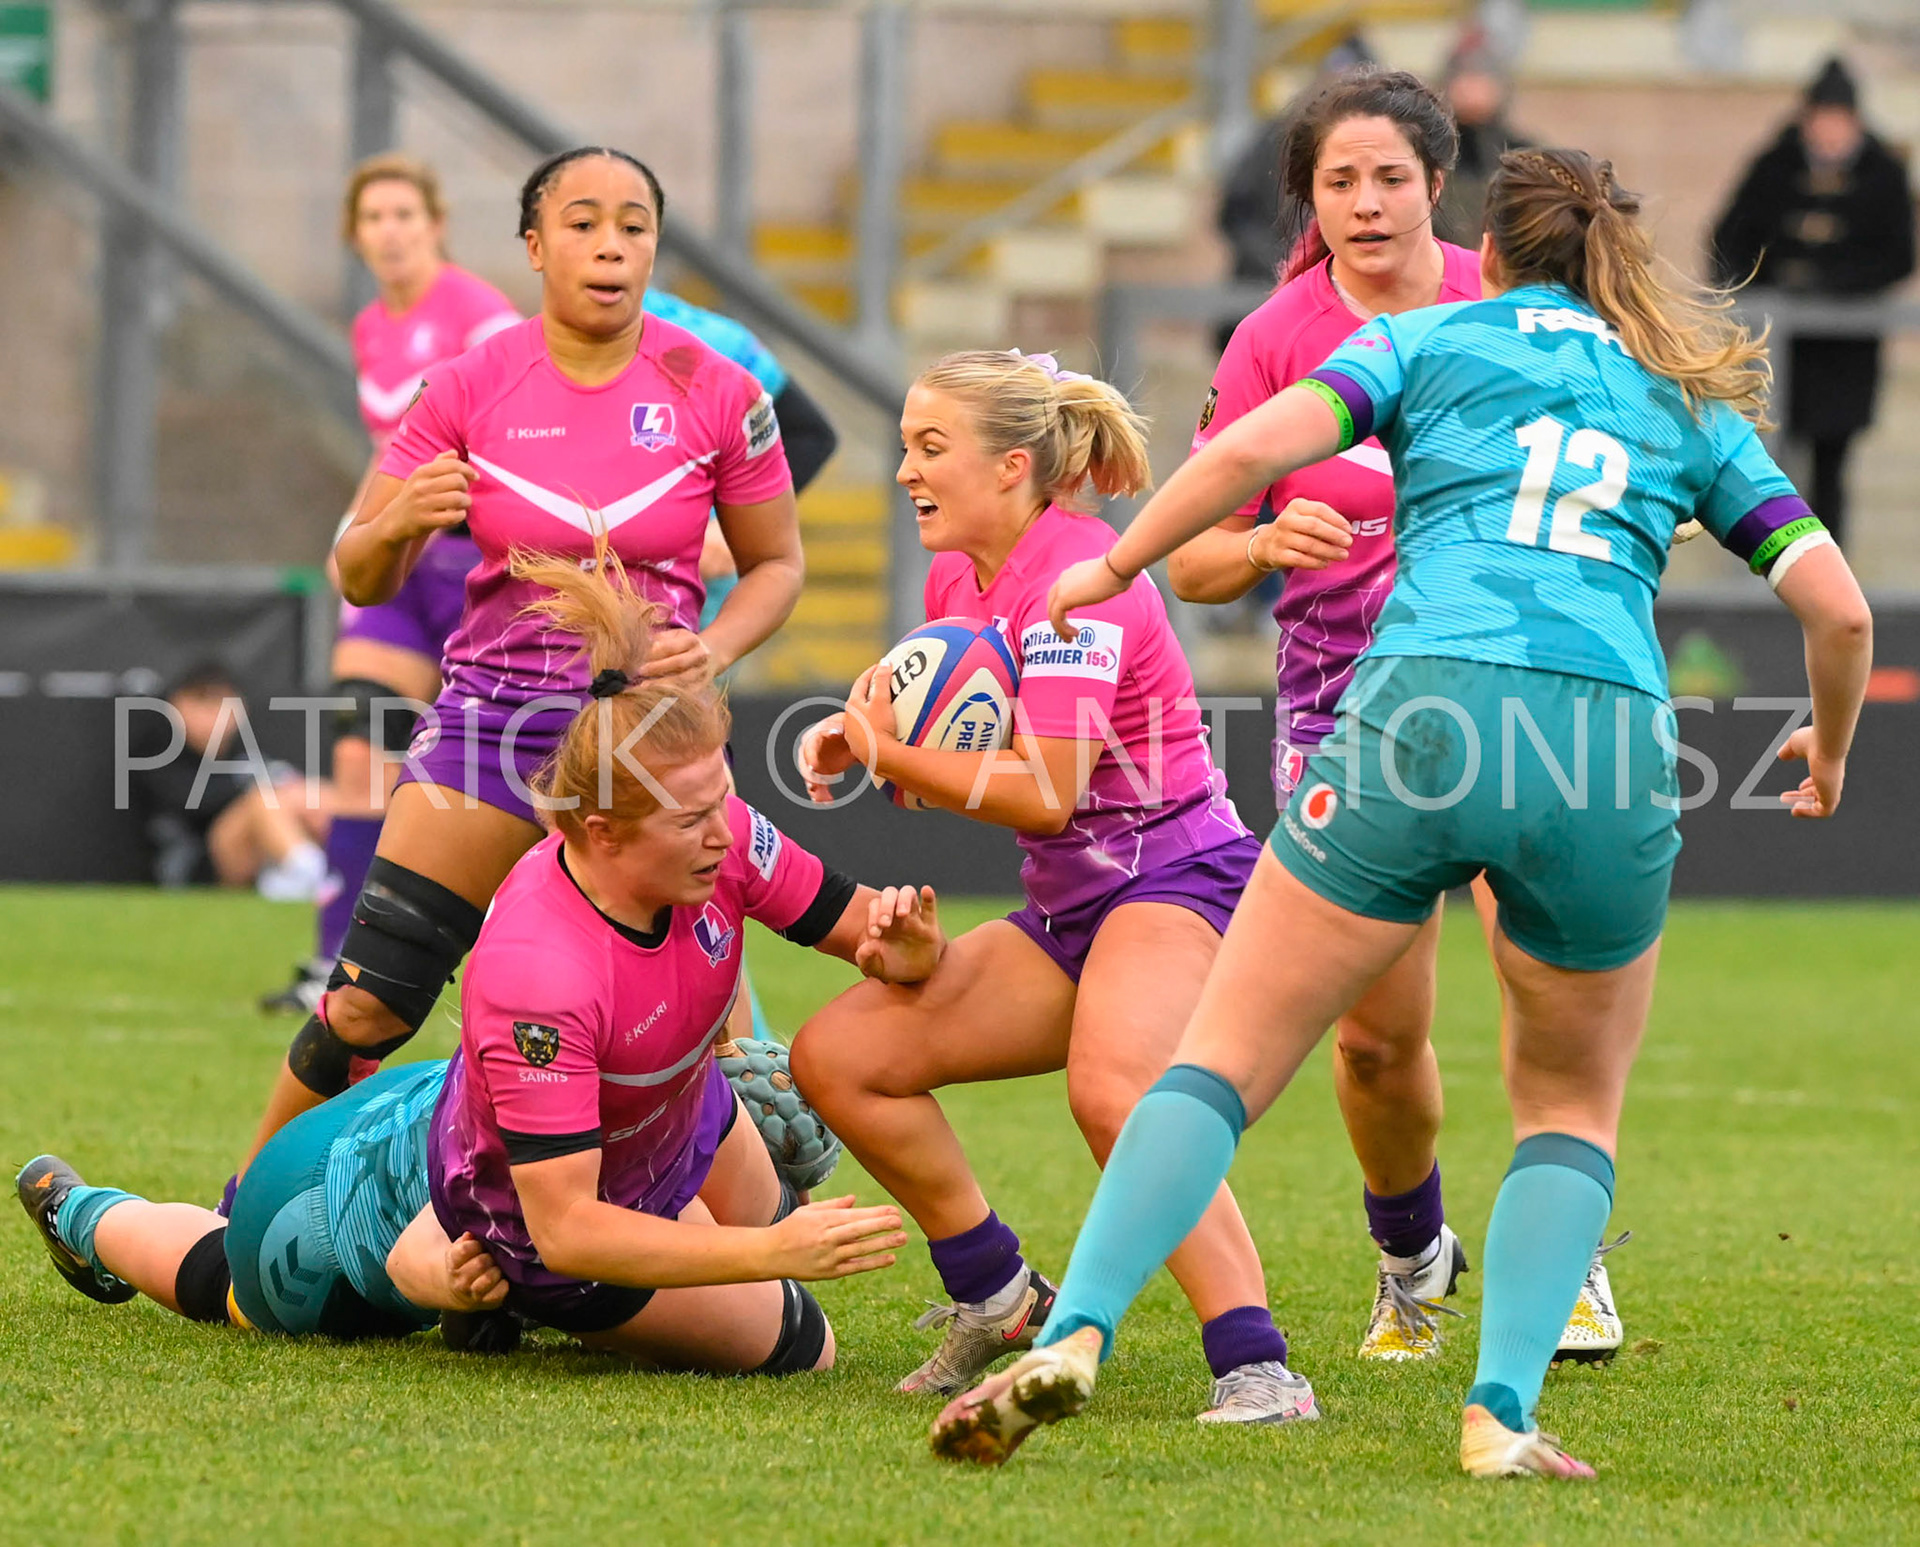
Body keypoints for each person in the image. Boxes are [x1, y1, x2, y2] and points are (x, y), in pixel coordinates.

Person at [932, 147, 1872, 1476]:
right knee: (1566, 1105)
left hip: (1421, 716)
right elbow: (1838, 608)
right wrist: (1825, 755)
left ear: (1487, 242)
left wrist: (1116, 560)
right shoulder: (1682, 397)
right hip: (1605, 745)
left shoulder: (1423, 339)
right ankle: (1499, 1411)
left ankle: (1074, 1329)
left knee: (1224, 1056)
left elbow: (1255, 449)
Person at [239, 146, 804, 1177]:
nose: (611, 246)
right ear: (535, 247)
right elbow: (362, 576)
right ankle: (250, 1198)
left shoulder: (716, 390)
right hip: (489, 729)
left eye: (633, 226)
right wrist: (393, 520)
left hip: (649, 746)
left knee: (681, 1024)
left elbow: (777, 566)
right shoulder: (465, 384)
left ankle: (713, 1239)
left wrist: (712, 647)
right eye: (583, 223)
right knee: (368, 998)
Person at [1170, 66, 1617, 1364]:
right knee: (1374, 1043)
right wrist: (1259, 551)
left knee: (1550, 993)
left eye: (1391, 177)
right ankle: (1411, 1255)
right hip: (1346, 715)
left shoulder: (1516, 306)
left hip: (1526, 700)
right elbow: (1191, 556)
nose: (1367, 203)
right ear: (1309, 198)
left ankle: (1570, 1261)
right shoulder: (1273, 341)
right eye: (1339, 181)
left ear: (1439, 183)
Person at [788, 350, 1316, 1426]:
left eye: (930, 447)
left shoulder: (1084, 576)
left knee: (1115, 1089)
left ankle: (1258, 1364)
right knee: (838, 1057)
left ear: (1014, 465)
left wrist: (885, 751)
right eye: (904, 446)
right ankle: (998, 1293)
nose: (904, 471)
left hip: (1181, 880)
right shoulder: (956, 583)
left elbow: (1043, 792)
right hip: (1075, 908)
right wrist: (877, 751)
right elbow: (981, 773)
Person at [423, 541, 928, 1367]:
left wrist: (906, 941)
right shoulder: (540, 970)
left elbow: (858, 924)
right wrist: (777, 1254)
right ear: (603, 833)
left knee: (770, 1229)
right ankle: (506, 1297)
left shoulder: (720, 838)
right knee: (807, 1345)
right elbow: (569, 1227)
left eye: (722, 802)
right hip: (548, 1234)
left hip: (678, 1124)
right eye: (693, 819)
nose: (725, 836)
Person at [263, 157, 521, 1014]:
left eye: (406, 212)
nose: (391, 229)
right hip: (403, 568)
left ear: (436, 223)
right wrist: (359, 532)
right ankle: (336, 964)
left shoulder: (480, 314)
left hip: (477, 564)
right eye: (374, 216)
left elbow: (526, 419)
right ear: (355, 234)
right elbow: (392, 450)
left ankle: (526, 963)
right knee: (358, 747)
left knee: (513, 767)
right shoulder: (372, 325)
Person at [17, 1062, 512, 1342]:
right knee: (231, 1282)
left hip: (384, 1115)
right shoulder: (527, 1108)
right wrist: (453, 1281)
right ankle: (75, 1211)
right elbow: (410, 1259)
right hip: (308, 1212)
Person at [1710, 56, 1917, 547]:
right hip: (1776, 349)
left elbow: (1897, 257)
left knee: (1830, 467)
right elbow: (1730, 241)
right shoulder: (1773, 167)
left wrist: (1830, 284)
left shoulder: (1883, 175)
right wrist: (1758, 291)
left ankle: (1828, 570)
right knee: (1767, 469)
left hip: (1844, 354)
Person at [128, 662, 332, 900]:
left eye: (223, 704)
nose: (214, 717)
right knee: (264, 799)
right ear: (176, 705)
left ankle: (329, 873)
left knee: (309, 794)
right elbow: (193, 801)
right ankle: (313, 873)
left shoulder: (243, 750)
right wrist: (250, 778)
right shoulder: (157, 751)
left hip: (255, 857)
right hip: (195, 869)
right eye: (202, 703)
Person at [1434, 33, 1531, 246]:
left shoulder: (1524, 155)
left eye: (1481, 78)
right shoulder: (1431, 155)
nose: (1472, 88)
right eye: (1464, 78)